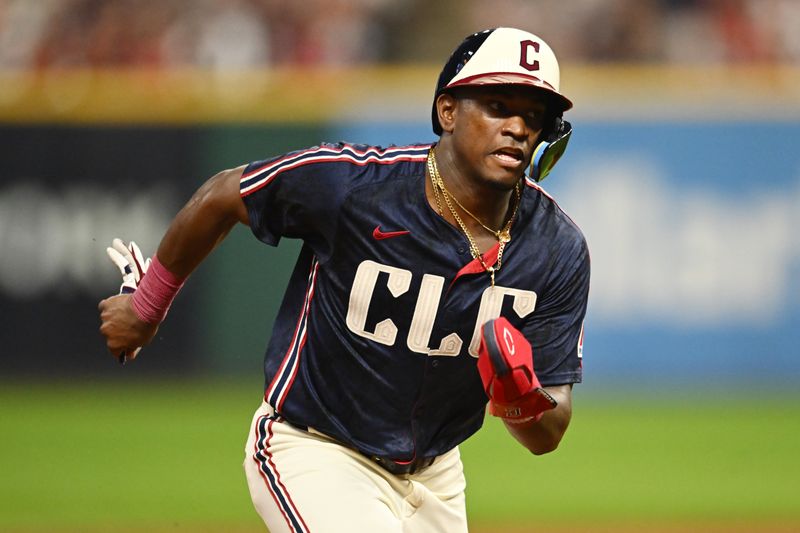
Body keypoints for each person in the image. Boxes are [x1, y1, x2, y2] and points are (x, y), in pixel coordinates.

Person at [98, 27, 589, 533]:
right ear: (448, 111)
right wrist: (146, 307)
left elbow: (547, 433)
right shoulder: (354, 187)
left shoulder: (556, 249)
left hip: (437, 475)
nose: (516, 127)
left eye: (534, 117)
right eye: (496, 104)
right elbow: (224, 194)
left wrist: (521, 397)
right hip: (316, 448)